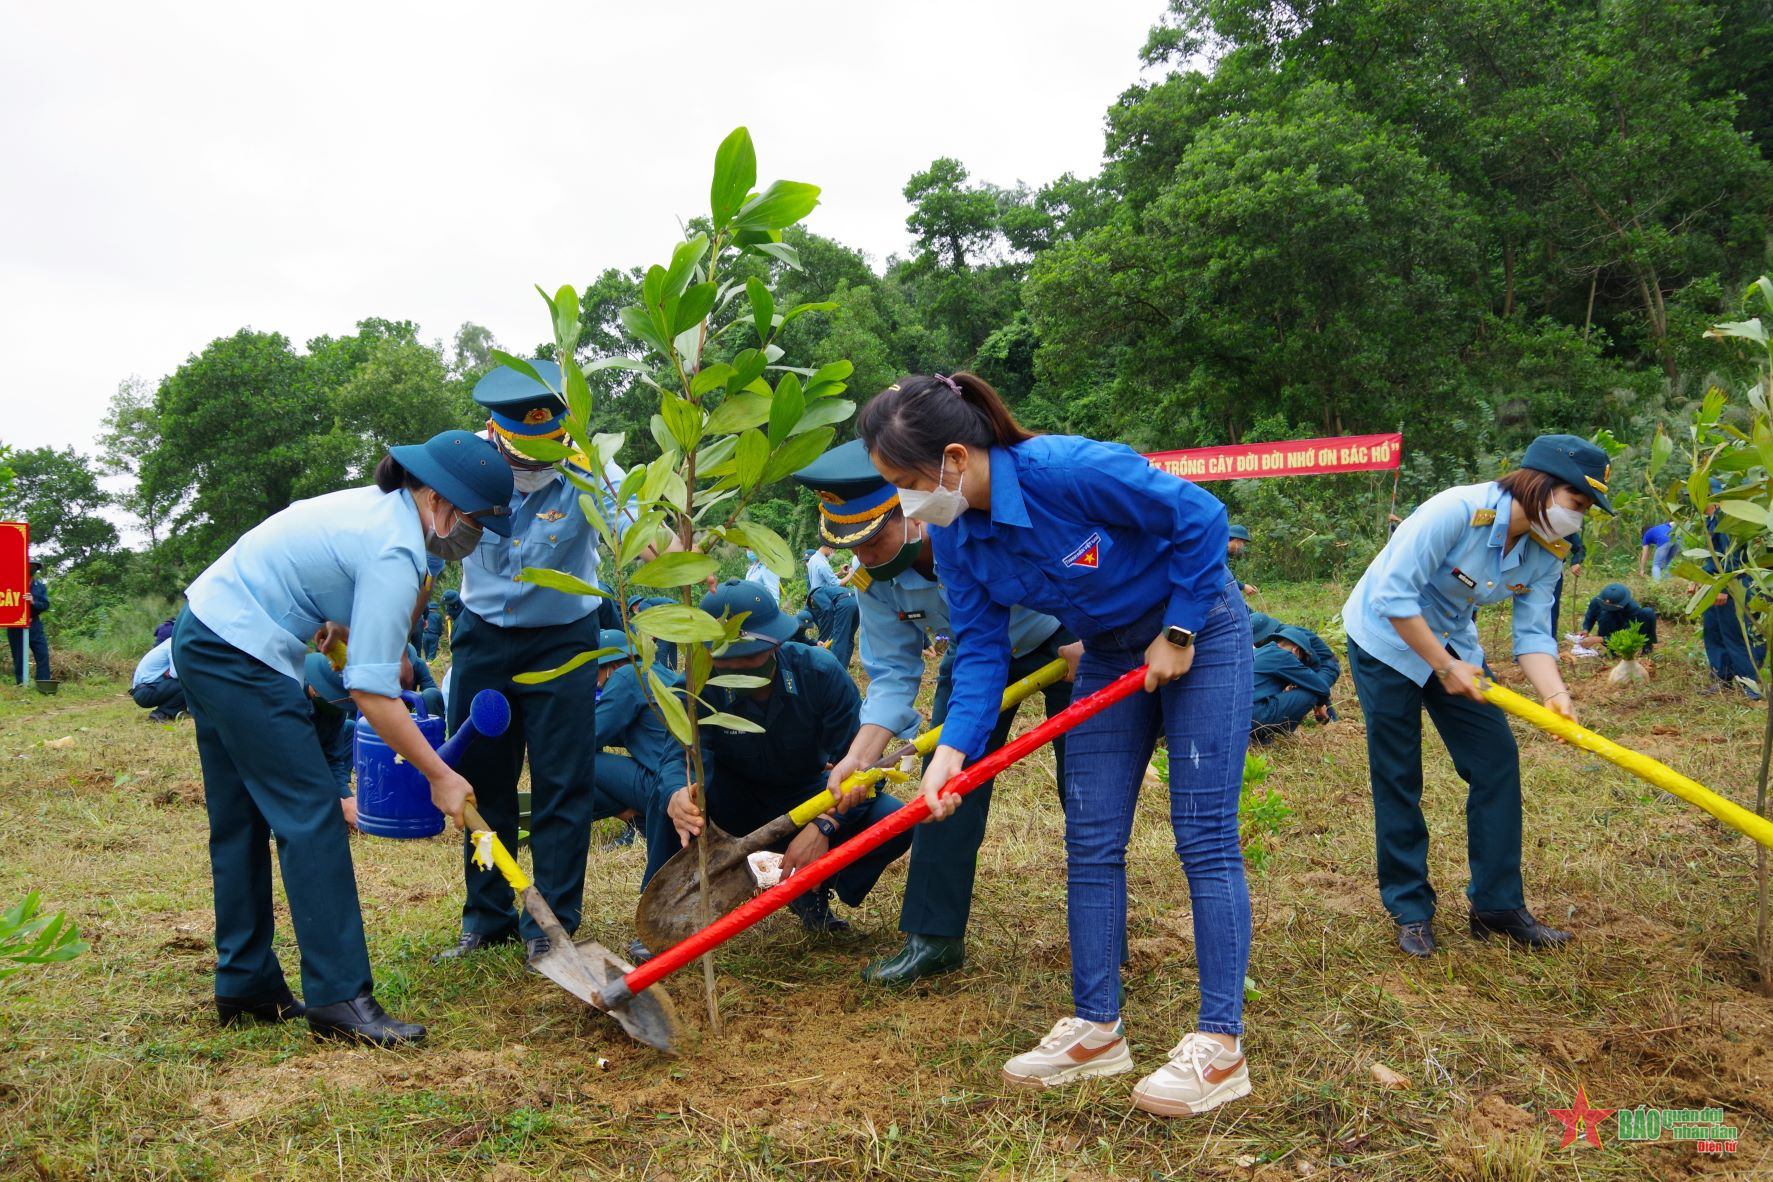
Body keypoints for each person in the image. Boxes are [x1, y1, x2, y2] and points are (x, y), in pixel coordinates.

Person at [859, 372, 1253, 1119]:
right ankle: (1097, 1028)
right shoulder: (952, 534)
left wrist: (1179, 630)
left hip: (1201, 634)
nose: (906, 503)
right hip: (1106, 653)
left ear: (952, 458)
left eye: (906, 482)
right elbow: (977, 651)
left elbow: (1201, 516)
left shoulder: (1068, 471)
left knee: (1202, 834)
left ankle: (1219, 1044)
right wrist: (951, 754)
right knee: (1091, 837)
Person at [171, 428, 511, 1046]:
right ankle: (340, 997)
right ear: (437, 500)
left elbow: (360, 629)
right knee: (310, 818)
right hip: (239, 650)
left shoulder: (380, 512)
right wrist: (440, 773)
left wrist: (374, 645)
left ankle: (245, 982)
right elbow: (372, 695)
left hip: (206, 629)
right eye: (476, 518)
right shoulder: (393, 547)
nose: (477, 534)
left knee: (241, 814)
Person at [794, 439, 1078, 985]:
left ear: (912, 508)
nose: (867, 556)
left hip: (1062, 640)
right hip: (974, 660)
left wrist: (1091, 637)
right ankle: (933, 938)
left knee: (1083, 788)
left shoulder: (979, 528)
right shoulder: (872, 582)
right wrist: (858, 755)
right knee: (944, 791)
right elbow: (894, 675)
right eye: (856, 547)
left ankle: (1097, 937)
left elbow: (1077, 565)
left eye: (876, 538)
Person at [1342, 433, 1612, 965]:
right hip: (1384, 640)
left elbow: (1533, 634)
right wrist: (1443, 668)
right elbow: (1392, 595)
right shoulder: (1455, 511)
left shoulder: (1546, 551)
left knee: (1495, 761)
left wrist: (1556, 695)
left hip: (1453, 644)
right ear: (1540, 486)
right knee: (1398, 771)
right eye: (1575, 504)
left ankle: (1496, 906)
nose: (1576, 520)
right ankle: (1410, 909)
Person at [438, 359, 631, 969]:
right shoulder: (467, 462)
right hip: (482, 637)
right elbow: (422, 542)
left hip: (564, 639)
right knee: (483, 780)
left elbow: (644, 535)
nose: (534, 468)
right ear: (498, 433)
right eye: (524, 455)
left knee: (562, 781)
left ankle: (551, 925)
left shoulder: (593, 470)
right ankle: (486, 918)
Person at [666, 580, 913, 932]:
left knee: (893, 819)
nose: (739, 668)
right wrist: (677, 791)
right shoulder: (693, 687)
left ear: (776, 643)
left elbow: (863, 767)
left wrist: (824, 824)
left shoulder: (820, 673)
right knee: (675, 805)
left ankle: (810, 888)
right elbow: (681, 759)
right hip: (729, 801)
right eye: (726, 658)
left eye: (750, 655)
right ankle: (671, 916)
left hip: (806, 797)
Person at [1698, 480, 1764, 700]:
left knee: (1735, 634)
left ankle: (1750, 683)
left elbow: (1731, 559)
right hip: (1714, 585)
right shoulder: (1711, 520)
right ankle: (1723, 677)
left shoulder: (1727, 519)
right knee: (1713, 631)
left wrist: (1723, 586)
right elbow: (1712, 556)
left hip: (1732, 585)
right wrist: (1698, 580)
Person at [1250, 625, 1339, 740]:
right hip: (1254, 716)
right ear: (1295, 650)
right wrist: (1320, 705)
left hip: (1236, 716)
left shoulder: (1260, 651)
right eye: (1301, 658)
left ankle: (1260, 736)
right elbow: (1322, 687)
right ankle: (1265, 732)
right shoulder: (1284, 656)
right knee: (1311, 692)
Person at [304, 651, 360, 832]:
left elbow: (333, 759)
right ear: (315, 689)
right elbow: (289, 769)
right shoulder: (288, 703)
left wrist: (348, 798)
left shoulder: (334, 710)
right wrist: (338, 806)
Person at [1578, 584, 1658, 654]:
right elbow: (1590, 616)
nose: (1606, 607)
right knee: (1606, 615)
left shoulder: (1632, 608)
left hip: (1625, 631)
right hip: (1608, 630)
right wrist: (1586, 629)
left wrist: (1599, 639)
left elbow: (1627, 633)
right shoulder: (1597, 601)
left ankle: (1647, 646)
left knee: (1648, 612)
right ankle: (1612, 648)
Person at [8, 559, 51, 686]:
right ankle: (21, 683)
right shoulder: (13, 584)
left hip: (35, 625)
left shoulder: (40, 586)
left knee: (42, 654)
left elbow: (45, 604)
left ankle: (43, 683)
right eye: (29, 566)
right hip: (17, 626)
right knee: (19, 656)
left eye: (34, 567)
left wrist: (33, 602)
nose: (32, 568)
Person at [131, 637, 187, 722]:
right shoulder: (174, 644)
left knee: (188, 680)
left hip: (146, 689)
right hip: (145, 692)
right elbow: (176, 674)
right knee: (188, 683)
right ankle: (162, 713)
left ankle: (177, 711)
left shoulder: (172, 642)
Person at [1226, 525, 1256, 597]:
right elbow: (1224, 577)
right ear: (1237, 540)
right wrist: (1243, 586)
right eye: (1243, 543)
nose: (1243, 547)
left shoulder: (1223, 552)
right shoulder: (1220, 553)